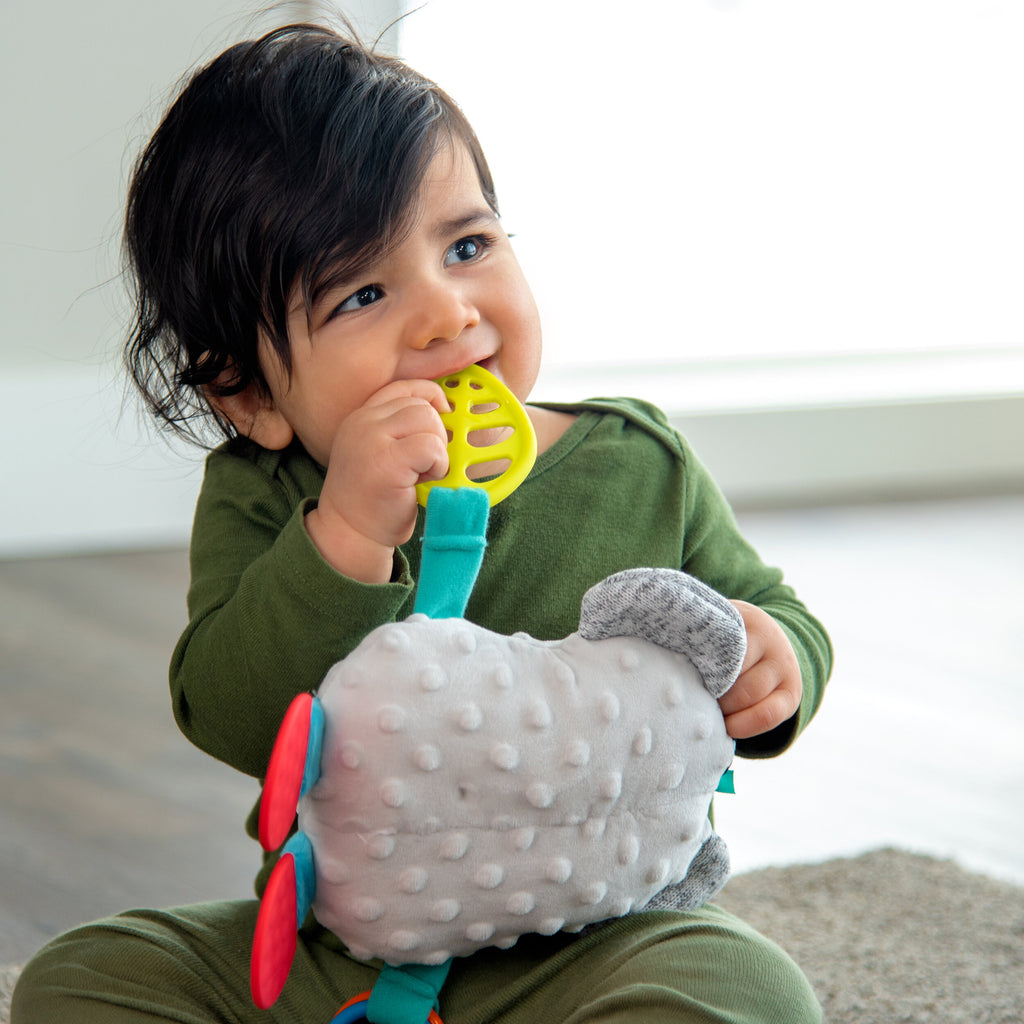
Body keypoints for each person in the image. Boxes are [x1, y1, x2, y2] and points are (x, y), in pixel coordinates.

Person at [13, 19, 832, 1024]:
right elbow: (231, 711)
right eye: (361, 292)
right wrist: (348, 530)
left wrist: (773, 660)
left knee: (747, 985)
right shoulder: (268, 493)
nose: (446, 313)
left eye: (468, 244)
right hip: (335, 952)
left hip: (601, 937)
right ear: (249, 396)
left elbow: (766, 612)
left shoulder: (636, 462)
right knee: (85, 976)